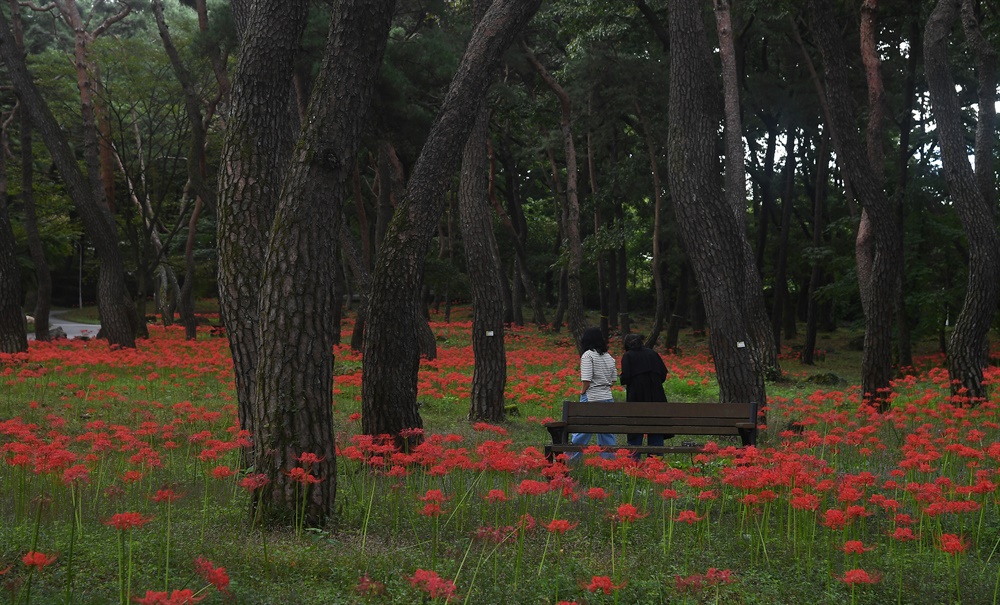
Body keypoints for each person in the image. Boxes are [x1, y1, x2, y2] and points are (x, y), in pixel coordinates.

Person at [570, 327, 618, 459]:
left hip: (591, 397)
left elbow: (586, 380)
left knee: (582, 431)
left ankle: (571, 460)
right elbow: (614, 379)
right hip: (607, 397)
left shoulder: (587, 355)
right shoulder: (608, 356)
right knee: (606, 432)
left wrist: (582, 393)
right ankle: (609, 464)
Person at [620, 333, 670, 456]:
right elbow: (663, 373)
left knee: (635, 426)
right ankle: (655, 460)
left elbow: (625, 377)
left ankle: (634, 460)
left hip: (636, 395)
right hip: (656, 394)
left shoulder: (628, 356)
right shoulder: (652, 354)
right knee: (656, 426)